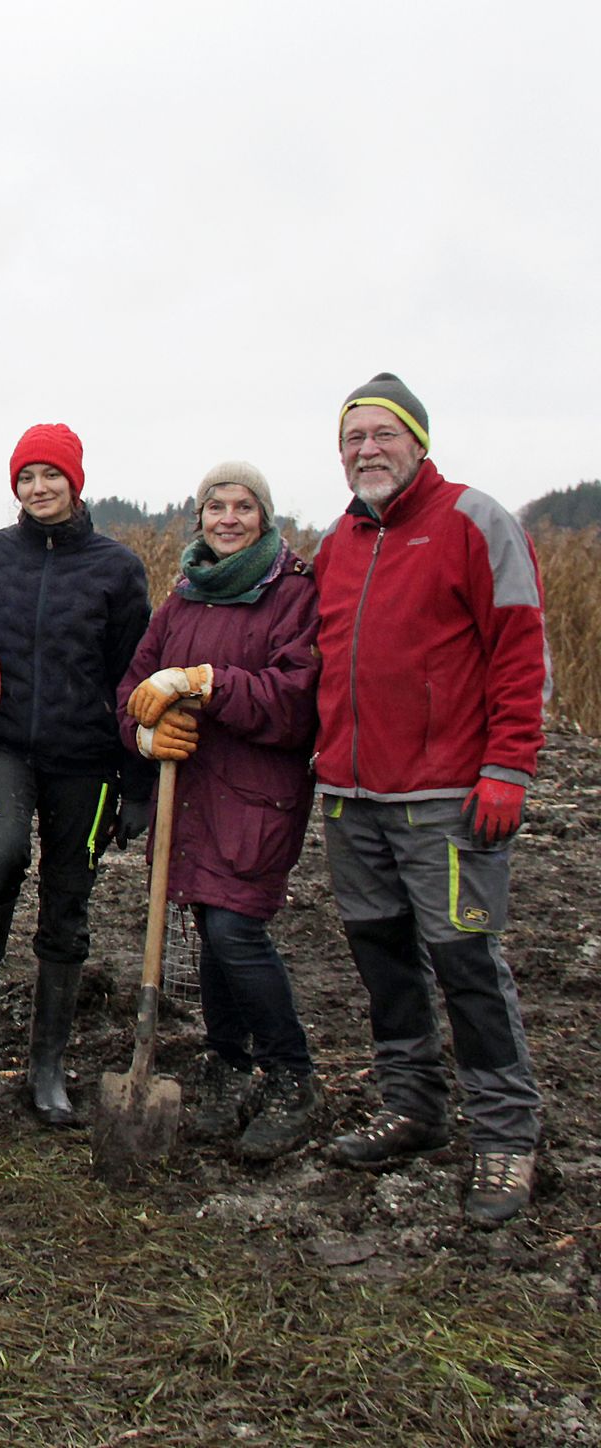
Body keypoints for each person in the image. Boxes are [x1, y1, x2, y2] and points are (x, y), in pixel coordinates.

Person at [313, 373, 549, 1228]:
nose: (365, 450)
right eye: (352, 439)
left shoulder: (472, 522)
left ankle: (504, 1133)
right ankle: (411, 1103)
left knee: (467, 966)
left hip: (446, 800)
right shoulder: (339, 543)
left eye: (381, 434)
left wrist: (508, 767)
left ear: (417, 440)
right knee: (382, 963)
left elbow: (520, 648)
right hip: (350, 797)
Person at [0, 423, 151, 1126]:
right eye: (27, 477)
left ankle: (47, 1062)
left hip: (86, 759)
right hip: (1, 742)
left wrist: (137, 784)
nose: (39, 488)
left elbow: (131, 677)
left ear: (75, 481)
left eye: (51, 475)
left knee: (68, 902)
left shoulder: (116, 569)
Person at [118, 461, 322, 1160]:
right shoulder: (181, 600)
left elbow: (295, 702)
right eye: (215, 507)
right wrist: (145, 732)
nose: (228, 518)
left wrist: (206, 683)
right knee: (210, 927)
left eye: (243, 506)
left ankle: (293, 1076)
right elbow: (132, 688)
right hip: (191, 796)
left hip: (255, 797)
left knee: (235, 931)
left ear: (265, 517)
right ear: (198, 518)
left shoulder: (293, 595)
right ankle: (228, 1065)